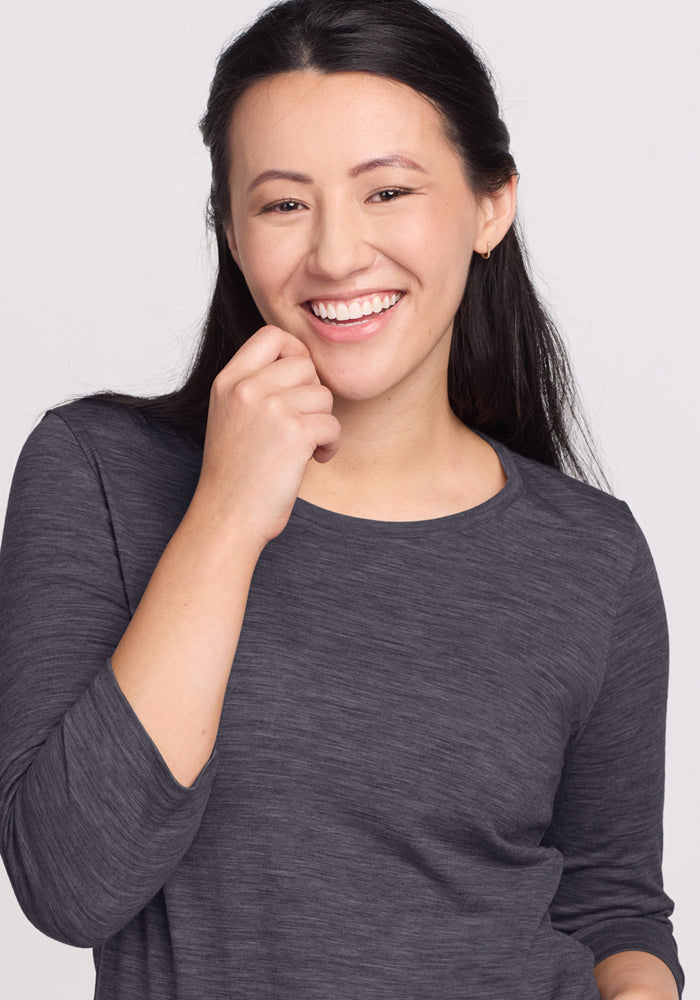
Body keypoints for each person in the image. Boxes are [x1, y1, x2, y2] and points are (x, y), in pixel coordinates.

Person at [0, 0, 684, 997]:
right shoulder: (98, 473)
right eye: (283, 203)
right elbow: (70, 883)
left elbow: (612, 901)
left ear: (489, 204)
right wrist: (226, 514)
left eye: (387, 191)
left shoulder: (591, 555)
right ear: (231, 230)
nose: (334, 254)